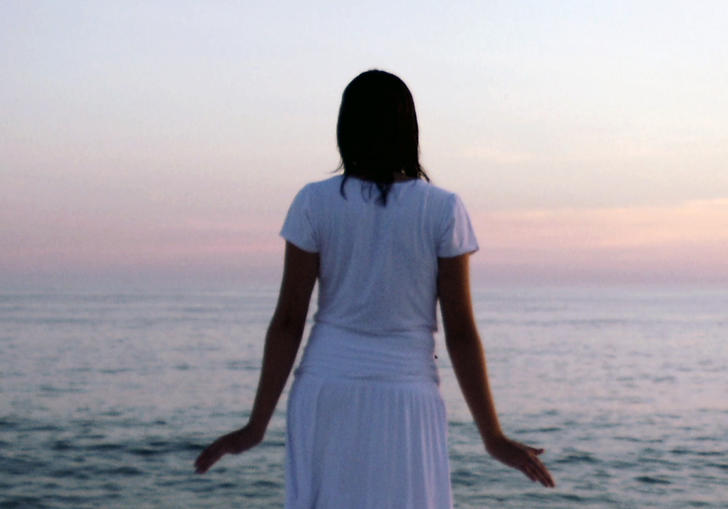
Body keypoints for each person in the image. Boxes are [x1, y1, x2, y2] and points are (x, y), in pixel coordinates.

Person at [194, 70, 555, 508]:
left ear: (346, 129)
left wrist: (256, 426)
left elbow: (289, 321)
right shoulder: (442, 209)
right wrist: (492, 436)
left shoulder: (315, 201)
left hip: (327, 389)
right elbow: (459, 332)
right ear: (409, 130)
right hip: (407, 395)